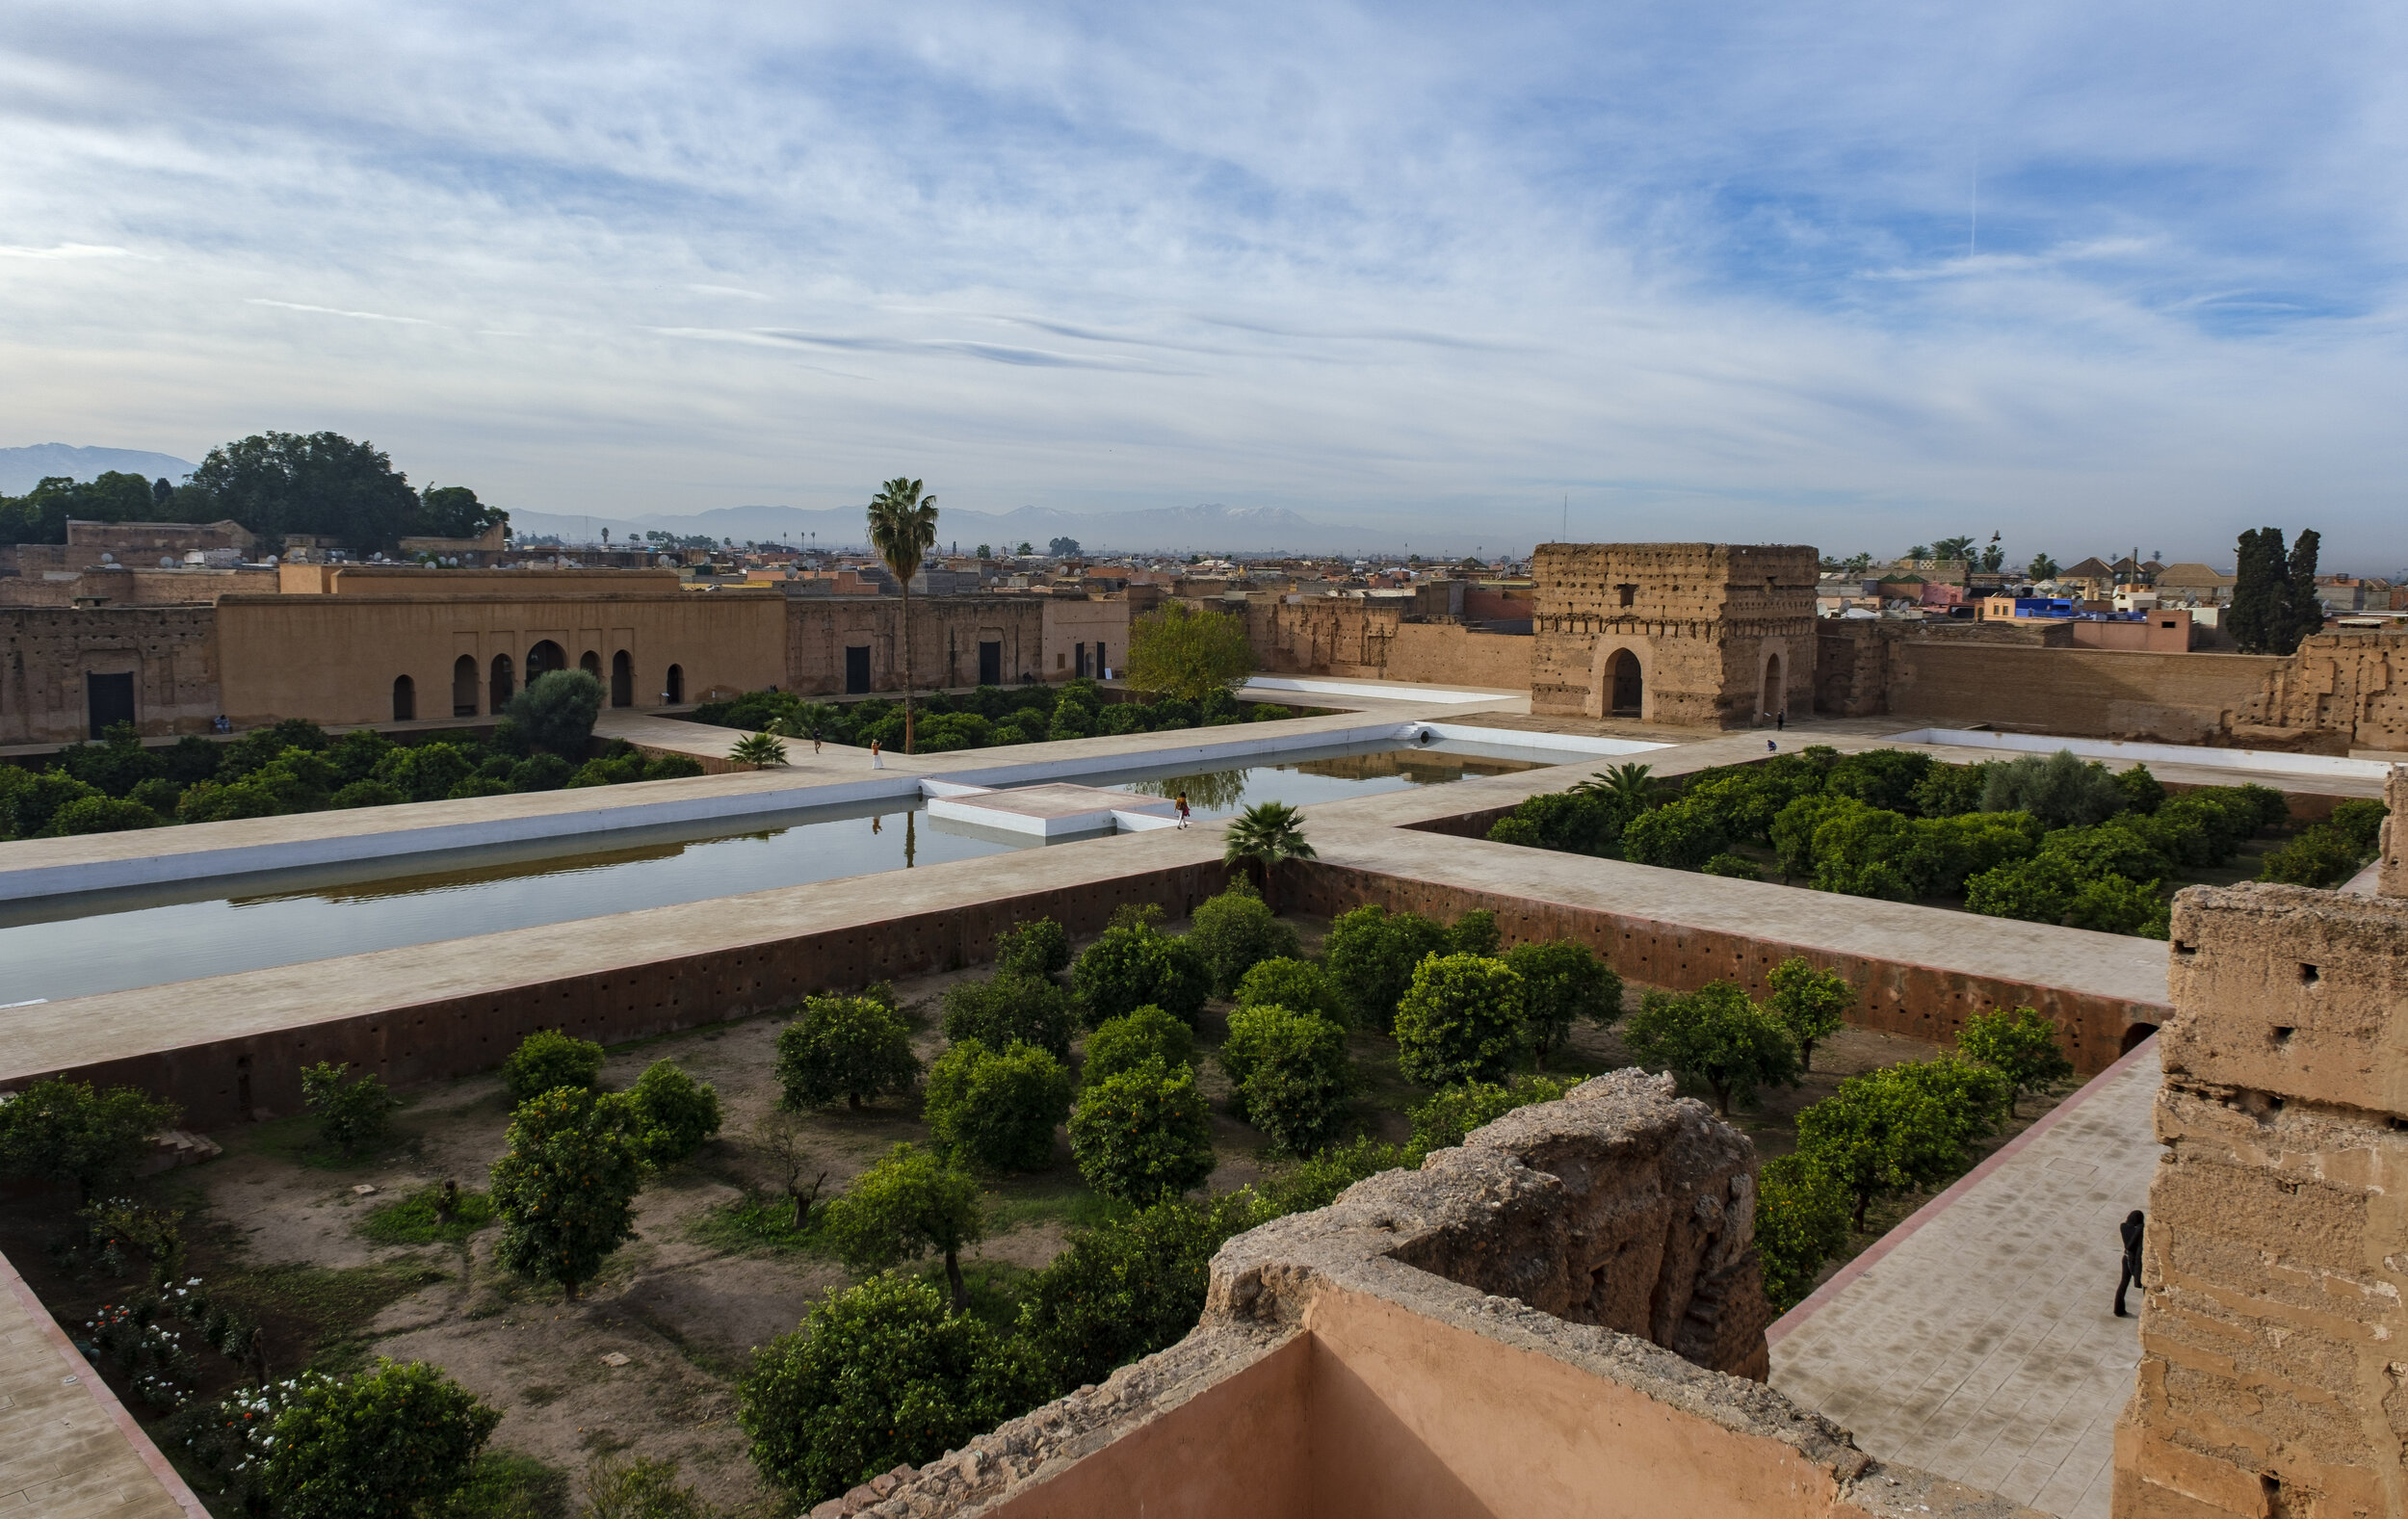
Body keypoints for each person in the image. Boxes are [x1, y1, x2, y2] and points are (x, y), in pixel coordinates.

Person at [2114, 1209, 2145, 1316]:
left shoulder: (2123, 1226)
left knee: (2123, 1283)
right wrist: (2140, 1229)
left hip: (2125, 1257)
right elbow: (2136, 1247)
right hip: (2136, 1260)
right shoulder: (2139, 1230)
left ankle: (2118, 1309)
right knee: (2145, 1283)